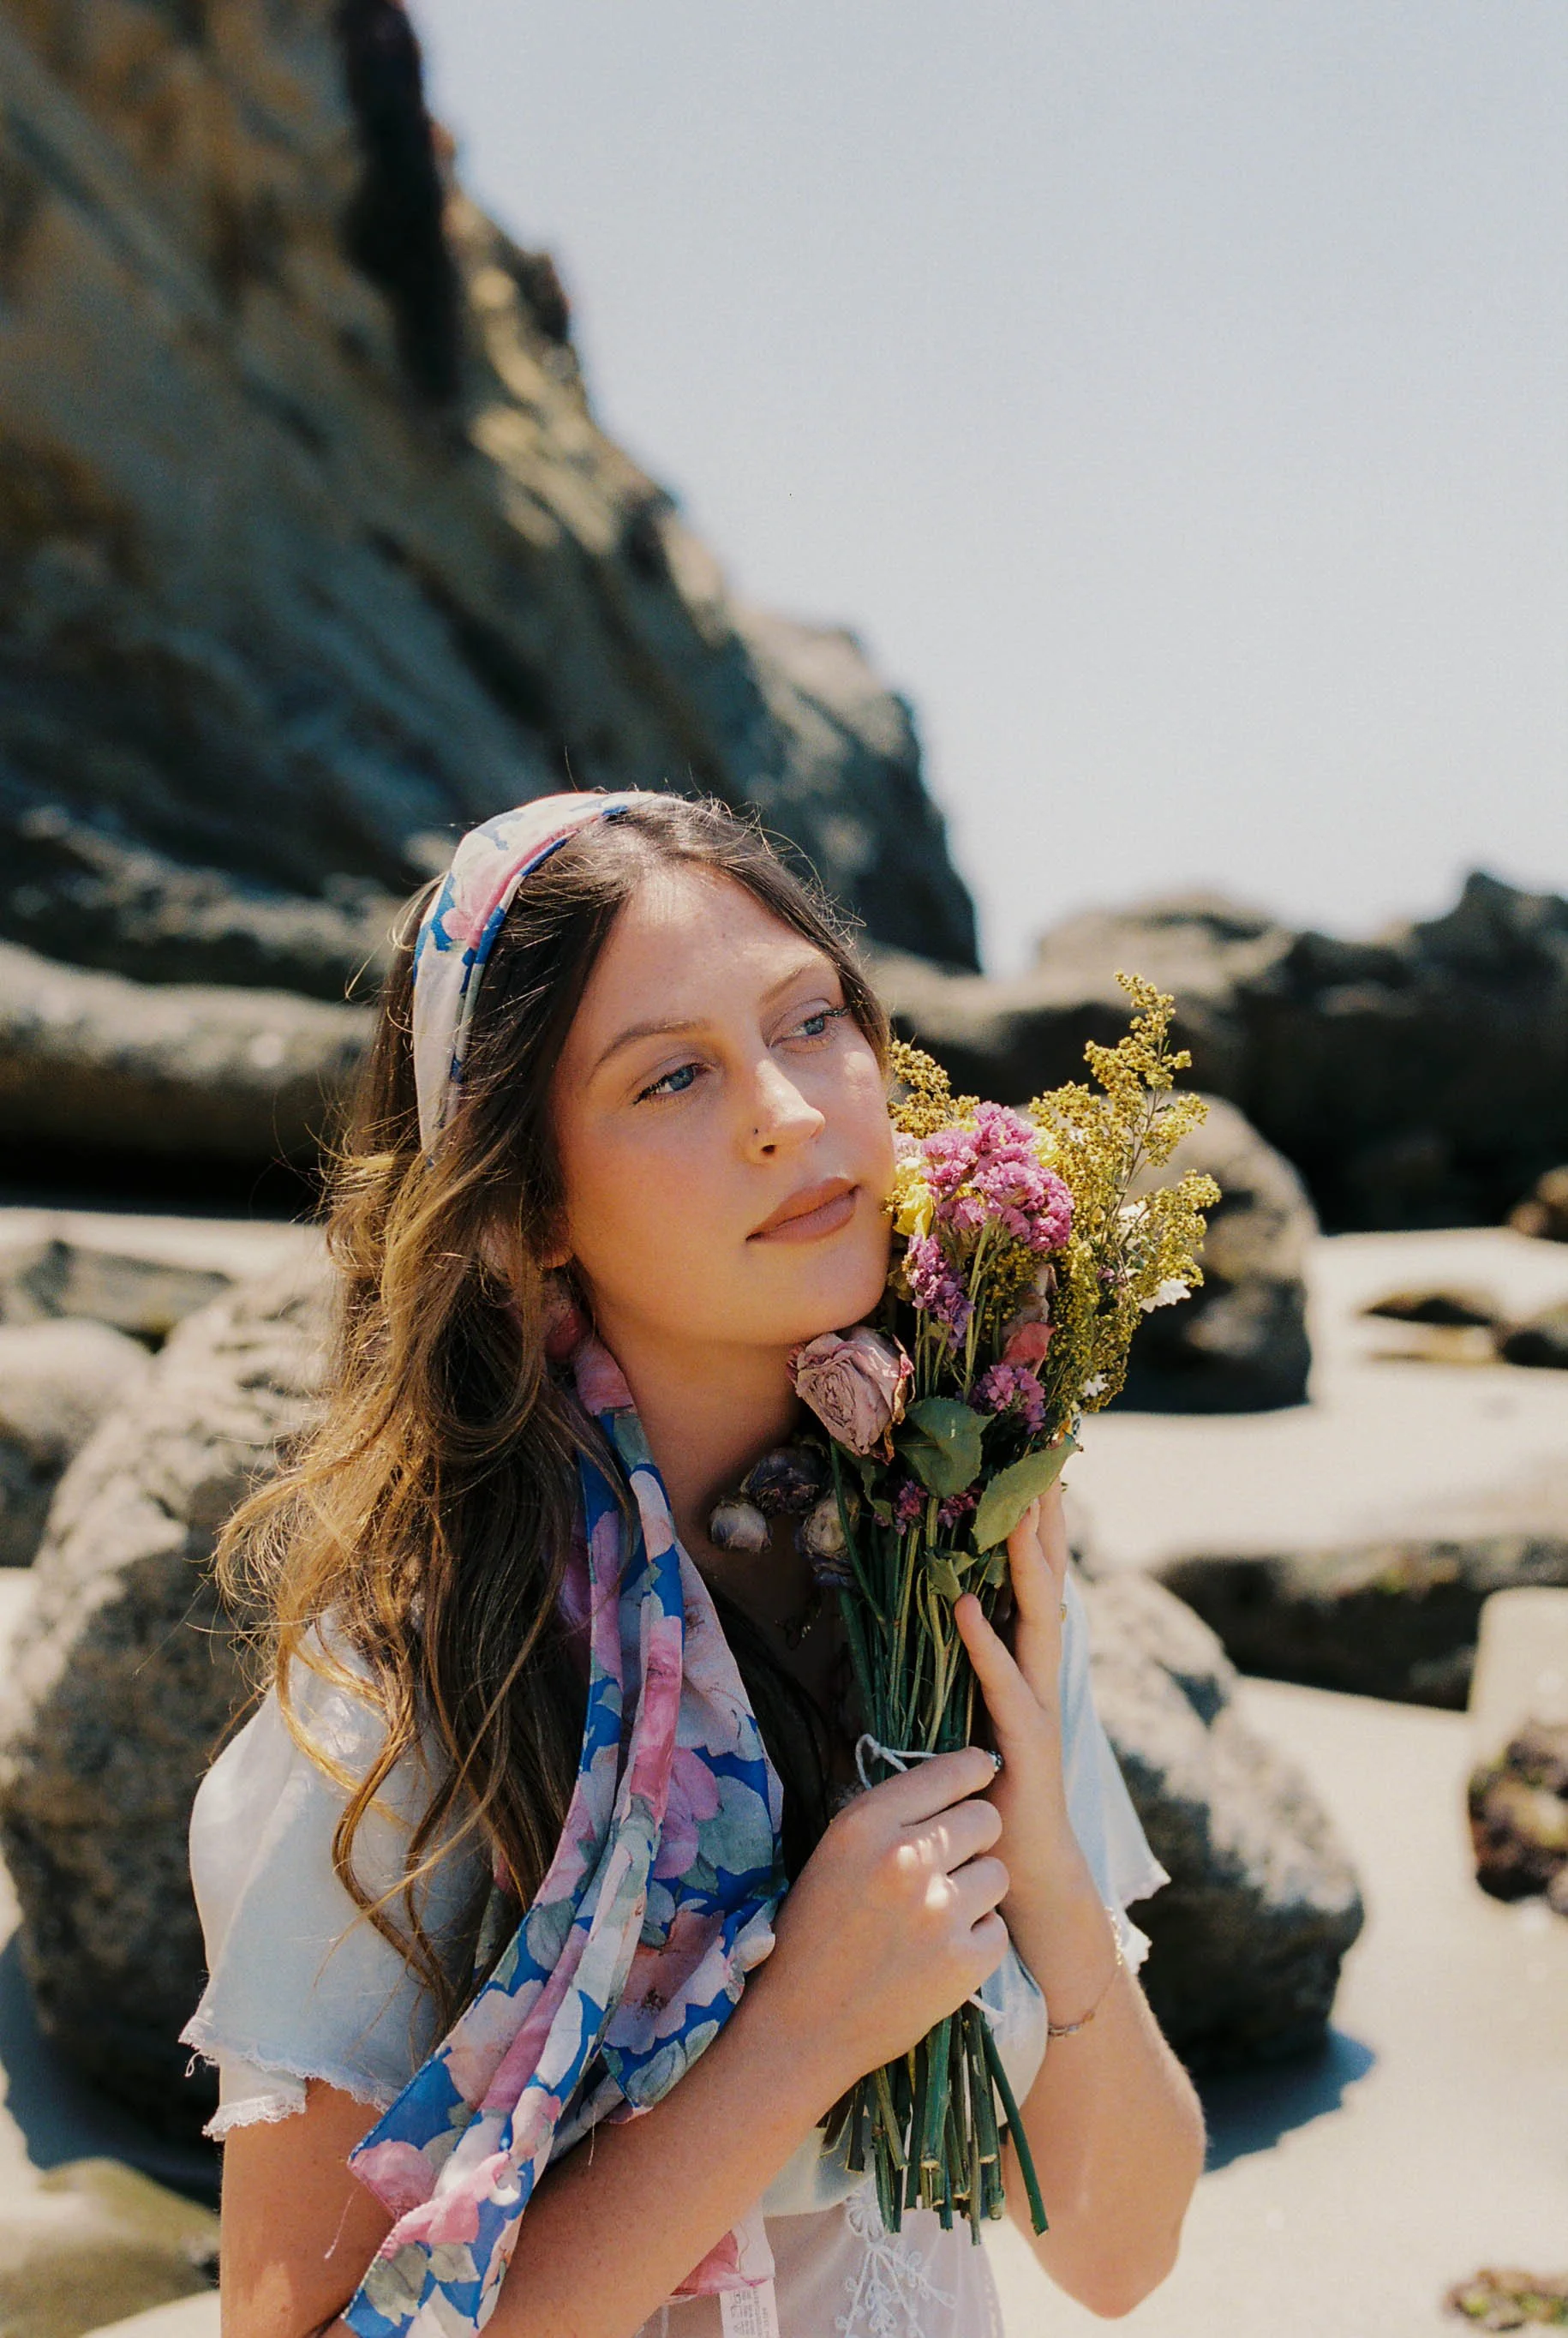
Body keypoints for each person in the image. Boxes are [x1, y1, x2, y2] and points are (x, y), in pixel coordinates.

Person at [183, 792, 1205, 2338]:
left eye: (810, 1022)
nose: (787, 1112)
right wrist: (793, 2035)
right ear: (527, 1205)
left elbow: (1118, 2255)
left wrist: (1046, 1878)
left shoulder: (943, 1570)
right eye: (671, 1076)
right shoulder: (415, 1690)